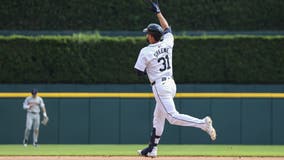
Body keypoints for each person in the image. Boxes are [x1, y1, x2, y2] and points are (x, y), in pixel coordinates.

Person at [134, 1, 216, 157]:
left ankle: (203, 124)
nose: (146, 35)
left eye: (147, 33)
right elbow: (167, 29)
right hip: (171, 84)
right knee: (158, 116)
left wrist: (150, 69)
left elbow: (138, 72)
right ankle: (152, 148)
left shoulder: (145, 51)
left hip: (160, 86)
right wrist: (158, 12)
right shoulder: (167, 42)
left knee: (171, 117)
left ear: (152, 37)